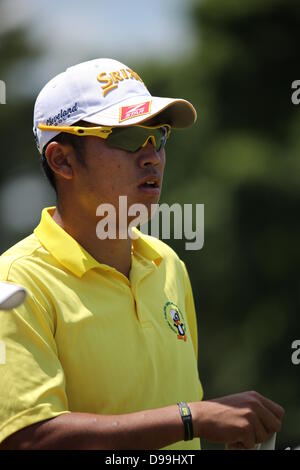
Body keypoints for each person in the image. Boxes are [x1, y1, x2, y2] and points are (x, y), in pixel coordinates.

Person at [0, 58, 284, 450]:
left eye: (159, 135)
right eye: (128, 136)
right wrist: (193, 417)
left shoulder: (168, 266)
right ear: (62, 160)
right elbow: (28, 437)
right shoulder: (16, 282)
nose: (152, 156)